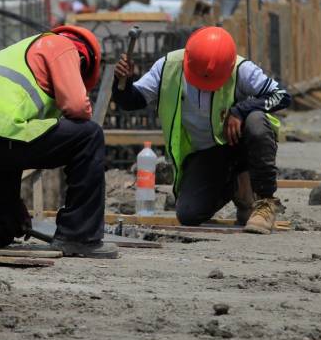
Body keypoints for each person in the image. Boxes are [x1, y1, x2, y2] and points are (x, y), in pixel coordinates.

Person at [0, 25, 118, 259]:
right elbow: (76, 106)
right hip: (2, 132)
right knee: (89, 135)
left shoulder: (13, 53)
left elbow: (24, 136)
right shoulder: (62, 45)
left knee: (6, 223)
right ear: (84, 59)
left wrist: (15, 206)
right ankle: (79, 237)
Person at [112, 26, 291, 234]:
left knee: (256, 122)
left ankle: (265, 203)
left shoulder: (240, 67)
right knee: (188, 214)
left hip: (239, 145)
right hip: (206, 153)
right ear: (188, 60)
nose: (206, 86)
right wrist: (122, 83)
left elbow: (281, 96)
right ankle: (239, 191)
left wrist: (241, 110)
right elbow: (132, 101)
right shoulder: (168, 66)